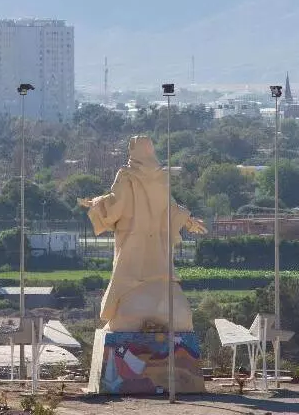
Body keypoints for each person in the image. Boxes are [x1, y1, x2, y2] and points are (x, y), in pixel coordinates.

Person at [79, 135, 206, 332]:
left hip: (132, 242)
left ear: (133, 151)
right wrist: (189, 221)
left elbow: (115, 207)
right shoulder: (161, 178)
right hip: (158, 249)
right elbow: (171, 208)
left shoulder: (126, 176)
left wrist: (95, 203)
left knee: (127, 275)